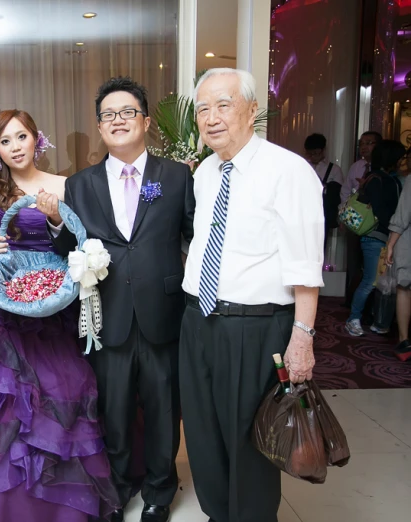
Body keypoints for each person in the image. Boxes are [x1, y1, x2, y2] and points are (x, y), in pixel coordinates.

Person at [0, 109, 120, 522]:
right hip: (0, 299)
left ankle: (53, 501)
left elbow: (76, 241)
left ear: (37, 140)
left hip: (48, 298)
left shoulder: (63, 186)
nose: (14, 147)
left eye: (21, 137)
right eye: (5, 141)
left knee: (54, 389)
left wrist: (52, 218)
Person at [44, 76, 195, 522]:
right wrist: (54, 224)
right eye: (108, 115)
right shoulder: (81, 184)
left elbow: (196, 238)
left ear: (145, 121)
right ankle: (119, 485)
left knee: (164, 410)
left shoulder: (176, 176)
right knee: (114, 410)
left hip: (163, 313)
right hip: (107, 314)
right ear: (100, 127)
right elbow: (67, 248)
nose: (118, 120)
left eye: (127, 112)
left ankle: (159, 492)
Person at [180, 68, 323, 522]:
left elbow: (305, 264)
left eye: (224, 105)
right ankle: (218, 515)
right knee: (203, 434)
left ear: (252, 110)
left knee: (251, 440)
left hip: (256, 327)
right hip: (198, 320)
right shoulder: (205, 172)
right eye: (203, 108)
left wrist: (302, 337)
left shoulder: (288, 171)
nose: (211, 117)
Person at [345, 140, 404, 337]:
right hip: (376, 236)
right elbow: (382, 211)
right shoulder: (383, 180)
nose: (402, 161)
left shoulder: (376, 177)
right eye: (400, 157)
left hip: (376, 236)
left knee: (378, 281)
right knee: (371, 281)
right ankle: (353, 318)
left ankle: (371, 318)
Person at [343, 131, 381, 306]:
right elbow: (345, 191)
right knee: (354, 261)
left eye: (369, 143)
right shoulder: (356, 166)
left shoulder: (381, 169)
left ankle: (369, 306)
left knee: (371, 267)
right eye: (362, 143)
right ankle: (351, 299)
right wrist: (343, 215)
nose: (364, 147)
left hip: (374, 224)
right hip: (354, 221)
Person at [387, 154, 411, 358]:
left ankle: (404, 340)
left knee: (404, 288)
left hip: (408, 239)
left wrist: (391, 244)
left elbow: (403, 215)